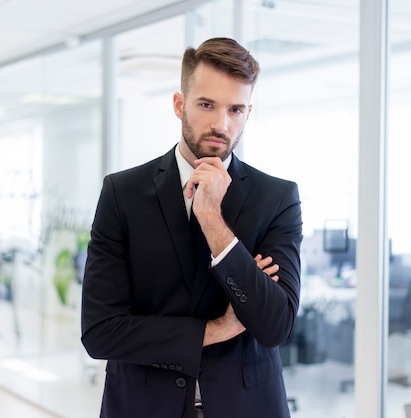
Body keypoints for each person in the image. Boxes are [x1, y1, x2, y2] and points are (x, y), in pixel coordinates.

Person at [81, 37, 303, 418]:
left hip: (246, 407)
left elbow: (274, 325)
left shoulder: (276, 198)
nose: (221, 124)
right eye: (206, 105)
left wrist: (214, 223)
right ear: (179, 105)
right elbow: (101, 331)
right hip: (144, 406)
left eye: (235, 109)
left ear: (248, 113)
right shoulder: (123, 194)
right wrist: (217, 329)